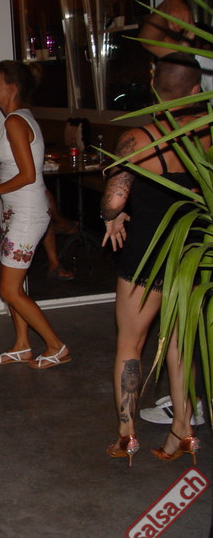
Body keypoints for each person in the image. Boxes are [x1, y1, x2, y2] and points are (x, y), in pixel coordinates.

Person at [101, 53, 208, 466]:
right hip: (192, 255)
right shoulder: (207, 134)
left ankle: (126, 436)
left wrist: (112, 218)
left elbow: (113, 201)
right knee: (181, 342)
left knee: (131, 342)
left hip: (145, 256)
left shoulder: (138, 139)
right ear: (195, 90)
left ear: (154, 88)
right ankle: (182, 430)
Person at [0, 60, 70, 369]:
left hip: (27, 214)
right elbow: (14, 172)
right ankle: (22, 345)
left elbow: (27, 175)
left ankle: (56, 346)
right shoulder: (17, 119)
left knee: (9, 290)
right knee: (12, 285)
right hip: (17, 212)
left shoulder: (15, 122)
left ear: (11, 88)